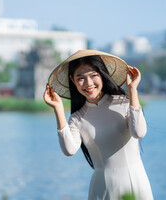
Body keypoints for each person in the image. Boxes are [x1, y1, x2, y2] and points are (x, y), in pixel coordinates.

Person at [43, 50, 153, 200]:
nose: (88, 83)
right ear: (73, 80)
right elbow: (69, 150)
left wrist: (132, 90)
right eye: (80, 78)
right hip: (102, 188)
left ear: (102, 74)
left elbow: (139, 132)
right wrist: (58, 109)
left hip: (135, 182)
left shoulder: (124, 102)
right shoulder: (77, 118)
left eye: (93, 76)